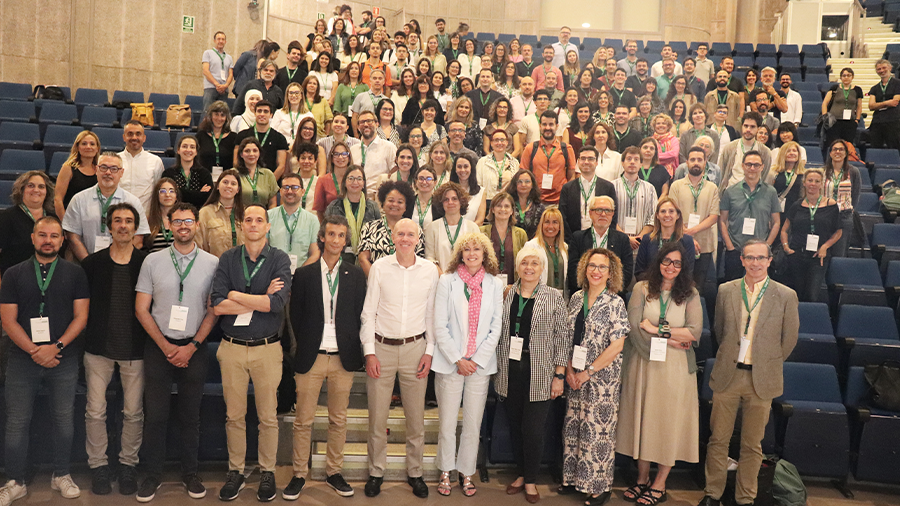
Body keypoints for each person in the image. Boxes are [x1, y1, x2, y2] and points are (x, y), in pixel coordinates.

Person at [700, 239, 799, 506]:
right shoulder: (725, 290)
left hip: (762, 379)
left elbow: (788, 340)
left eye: (760, 258)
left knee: (752, 445)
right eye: (750, 258)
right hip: (728, 376)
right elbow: (720, 332)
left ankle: (746, 498)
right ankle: (713, 494)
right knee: (718, 439)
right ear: (741, 260)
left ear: (769, 261)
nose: (755, 263)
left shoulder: (786, 295)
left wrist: (767, 362)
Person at [0, 216, 89, 504]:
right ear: (33, 238)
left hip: (63, 356)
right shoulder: (13, 273)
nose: (48, 240)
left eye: (54, 235)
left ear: (62, 240)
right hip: (22, 358)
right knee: (16, 421)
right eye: (42, 235)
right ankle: (15, 481)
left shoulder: (76, 274)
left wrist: (56, 346)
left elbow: (81, 317)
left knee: (63, 419)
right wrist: (35, 351)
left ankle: (61, 474)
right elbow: (8, 320)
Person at [133, 202, 217, 502]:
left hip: (194, 347)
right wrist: (166, 346)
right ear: (168, 225)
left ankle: (190, 473)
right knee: (155, 415)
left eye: (189, 221)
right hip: (159, 346)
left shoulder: (211, 263)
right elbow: (142, 309)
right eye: (178, 221)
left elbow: (213, 311)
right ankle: (152, 475)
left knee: (190, 416)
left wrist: (192, 346)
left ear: (196, 225)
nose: (183, 226)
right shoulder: (152, 262)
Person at [210, 203, 292, 502]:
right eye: (248, 220)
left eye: (260, 220)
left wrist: (237, 295)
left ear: (268, 227)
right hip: (231, 348)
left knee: (268, 417)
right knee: (234, 416)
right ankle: (236, 471)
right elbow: (218, 305)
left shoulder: (279, 258)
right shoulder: (228, 258)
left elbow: (277, 303)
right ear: (241, 225)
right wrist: (259, 297)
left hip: (267, 349)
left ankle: (267, 473)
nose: (254, 224)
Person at [286, 215, 366, 500]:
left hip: (342, 357)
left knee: (338, 419)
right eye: (331, 234)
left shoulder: (355, 274)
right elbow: (295, 315)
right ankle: (298, 474)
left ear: (346, 241)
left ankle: (334, 471)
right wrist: (301, 346)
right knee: (303, 420)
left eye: (341, 235)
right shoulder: (305, 274)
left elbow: (359, 314)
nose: (335, 240)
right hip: (312, 355)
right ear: (322, 237)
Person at [360, 218, 439, 499]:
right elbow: (369, 312)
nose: (405, 238)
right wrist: (369, 351)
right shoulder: (380, 268)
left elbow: (432, 315)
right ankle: (376, 471)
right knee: (377, 418)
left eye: (411, 234)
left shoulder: (430, 271)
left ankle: (415, 472)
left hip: (415, 349)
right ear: (393, 236)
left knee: (415, 419)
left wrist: (429, 352)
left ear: (418, 239)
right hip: (381, 348)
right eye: (401, 234)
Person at [619, 242, 701, 506]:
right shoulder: (642, 289)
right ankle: (642, 479)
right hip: (643, 363)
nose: (671, 267)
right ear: (658, 262)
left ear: (683, 267)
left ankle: (660, 482)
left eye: (677, 263)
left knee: (668, 423)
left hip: (675, 370)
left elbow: (693, 332)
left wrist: (658, 331)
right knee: (644, 421)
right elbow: (633, 326)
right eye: (667, 261)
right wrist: (671, 339)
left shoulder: (690, 293)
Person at [80, 202, 148, 497]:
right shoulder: (92, 264)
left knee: (133, 412)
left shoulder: (146, 263)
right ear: (109, 227)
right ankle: (98, 467)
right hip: (98, 349)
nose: (123, 225)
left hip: (135, 349)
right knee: (95, 411)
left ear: (136, 228)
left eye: (128, 221)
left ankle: (128, 466)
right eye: (117, 220)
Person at [494, 246, 568, 503]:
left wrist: (559, 375)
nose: (529, 268)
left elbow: (562, 337)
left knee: (533, 430)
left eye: (535, 263)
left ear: (542, 268)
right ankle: (521, 474)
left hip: (540, 372)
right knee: (515, 427)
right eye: (525, 263)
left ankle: (532, 480)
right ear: (518, 267)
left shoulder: (554, 296)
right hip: (509, 371)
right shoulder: (506, 293)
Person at [432, 231, 503, 497]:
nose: (472, 254)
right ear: (460, 254)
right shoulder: (447, 281)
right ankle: (445, 471)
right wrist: (457, 359)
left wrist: (475, 360)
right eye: (467, 250)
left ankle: (467, 472)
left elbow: (496, 327)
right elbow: (439, 325)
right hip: (451, 364)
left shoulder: (494, 284)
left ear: (485, 254)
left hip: (479, 366)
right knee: (447, 424)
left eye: (477, 250)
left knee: (473, 424)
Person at [559, 246, 629, 505]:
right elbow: (567, 336)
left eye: (602, 267)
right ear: (584, 269)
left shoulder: (615, 302)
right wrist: (568, 369)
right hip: (574, 376)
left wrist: (588, 372)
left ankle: (599, 487)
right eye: (592, 265)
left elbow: (617, 345)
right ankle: (575, 479)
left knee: (597, 432)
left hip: (601, 381)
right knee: (575, 428)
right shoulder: (577, 298)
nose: (596, 271)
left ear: (611, 273)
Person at [63, 152, 150, 260]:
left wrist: (118, 261)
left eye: (114, 169)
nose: (108, 172)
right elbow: (73, 237)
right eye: (103, 167)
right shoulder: (79, 199)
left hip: (121, 264)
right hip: (85, 265)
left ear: (121, 173)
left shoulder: (133, 202)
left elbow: (138, 238)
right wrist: (89, 263)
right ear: (96, 170)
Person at [780, 168, 841, 302]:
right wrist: (786, 248)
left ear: (821, 184)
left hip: (818, 256)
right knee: (796, 296)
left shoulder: (831, 205)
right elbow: (784, 230)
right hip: (796, 255)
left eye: (817, 181)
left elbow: (838, 231)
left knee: (812, 296)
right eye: (810, 180)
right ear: (804, 183)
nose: (813, 184)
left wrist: (825, 247)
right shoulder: (797, 205)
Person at [719, 150, 781, 281]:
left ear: (762, 167)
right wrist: (730, 247)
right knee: (732, 290)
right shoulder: (730, 191)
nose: (752, 168)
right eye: (748, 164)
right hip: (735, 250)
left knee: (758, 289)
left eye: (756, 165)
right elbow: (722, 220)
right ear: (742, 166)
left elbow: (776, 222)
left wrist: (767, 246)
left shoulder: (770, 192)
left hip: (760, 254)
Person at [668, 147, 720, 290]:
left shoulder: (712, 188)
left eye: (699, 160)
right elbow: (671, 215)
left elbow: (714, 216)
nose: (696, 163)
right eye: (692, 160)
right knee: (678, 285)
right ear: (686, 162)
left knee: (698, 288)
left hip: (704, 245)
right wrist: (687, 236)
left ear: (705, 162)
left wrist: (691, 232)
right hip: (680, 243)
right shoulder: (676, 186)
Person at [567, 195, 633, 294]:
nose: (603, 214)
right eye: (598, 210)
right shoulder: (578, 238)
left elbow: (626, 273)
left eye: (607, 211)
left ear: (612, 214)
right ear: (590, 213)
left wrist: (606, 292)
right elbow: (573, 271)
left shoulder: (622, 239)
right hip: (583, 294)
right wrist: (591, 290)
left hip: (613, 296)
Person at [360, 180, 423, 275]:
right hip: (377, 281)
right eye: (391, 200)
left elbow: (420, 260)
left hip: (408, 281)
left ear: (406, 206)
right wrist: (377, 280)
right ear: (383, 203)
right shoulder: (369, 227)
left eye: (400, 202)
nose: (395, 204)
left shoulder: (415, 229)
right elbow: (363, 258)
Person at [0, 172, 56, 277]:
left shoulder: (54, 218)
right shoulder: (6, 217)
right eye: (30, 186)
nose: (36, 190)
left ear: (46, 192)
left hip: (50, 280)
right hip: (14, 281)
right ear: (21, 190)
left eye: (41, 187)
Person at [558, 145, 618, 238]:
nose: (586, 162)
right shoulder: (567, 188)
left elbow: (613, 215)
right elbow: (562, 217)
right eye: (583, 158)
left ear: (596, 162)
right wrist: (570, 240)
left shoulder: (608, 187)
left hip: (601, 238)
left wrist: (606, 238)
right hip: (573, 240)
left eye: (590, 159)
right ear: (578, 162)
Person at [324, 166, 381, 262]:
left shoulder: (372, 207)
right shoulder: (334, 206)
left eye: (359, 179)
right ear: (345, 182)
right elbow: (326, 233)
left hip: (367, 259)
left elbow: (377, 235)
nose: (355, 182)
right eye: (351, 179)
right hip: (340, 257)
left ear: (364, 183)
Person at [267, 173, 321, 272]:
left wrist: (300, 274)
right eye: (286, 187)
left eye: (295, 187)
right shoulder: (268, 216)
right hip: (273, 275)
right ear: (280, 191)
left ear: (303, 192)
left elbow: (315, 253)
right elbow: (263, 248)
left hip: (302, 276)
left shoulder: (312, 220)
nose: (290, 191)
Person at [521, 111, 576, 205]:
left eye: (551, 124)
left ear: (557, 126)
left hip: (560, 201)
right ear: (540, 126)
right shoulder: (530, 148)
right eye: (544, 124)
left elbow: (571, 176)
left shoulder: (567, 149)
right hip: (535, 202)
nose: (547, 128)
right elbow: (523, 174)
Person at [634, 197, 697, 280]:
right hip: (650, 287)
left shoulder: (687, 241)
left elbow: (688, 272)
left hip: (677, 289)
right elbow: (639, 271)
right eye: (663, 211)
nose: (667, 215)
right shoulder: (647, 239)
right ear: (657, 216)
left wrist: (669, 285)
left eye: (671, 211)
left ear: (677, 215)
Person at [425, 182, 480, 273]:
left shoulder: (472, 227)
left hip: (467, 280)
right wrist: (443, 278)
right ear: (441, 203)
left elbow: (477, 257)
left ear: (461, 202)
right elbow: (430, 258)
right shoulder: (432, 228)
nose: (450, 202)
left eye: (454, 199)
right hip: (440, 279)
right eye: (446, 199)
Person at [614, 147, 658, 252]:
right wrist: (626, 238)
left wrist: (640, 237)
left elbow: (654, 216)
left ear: (641, 164)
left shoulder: (650, 188)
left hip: (642, 244)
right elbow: (609, 216)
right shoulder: (612, 186)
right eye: (629, 159)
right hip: (617, 242)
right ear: (622, 163)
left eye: (636, 159)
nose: (632, 162)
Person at [823, 139, 861, 258]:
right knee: (823, 250)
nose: (838, 152)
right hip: (825, 214)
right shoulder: (823, 171)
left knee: (840, 253)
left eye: (841, 149)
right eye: (835, 149)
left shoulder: (853, 172)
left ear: (846, 153)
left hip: (844, 216)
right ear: (830, 153)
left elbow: (855, 194)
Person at [234, 100, 289, 181]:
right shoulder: (242, 135)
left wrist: (268, 184)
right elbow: (236, 162)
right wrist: (247, 180)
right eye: (259, 111)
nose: (262, 114)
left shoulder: (279, 138)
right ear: (254, 113)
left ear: (271, 115)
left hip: (270, 183)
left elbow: (281, 166)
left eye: (266, 111)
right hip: (246, 181)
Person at [481, 192, 529, 285]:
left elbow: (525, 262)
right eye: (499, 206)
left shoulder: (521, 234)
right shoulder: (482, 232)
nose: (503, 209)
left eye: (506, 206)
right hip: (486, 284)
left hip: (513, 285)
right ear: (492, 209)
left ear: (512, 211)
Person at [718, 112, 772, 192]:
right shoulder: (729, 148)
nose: (748, 130)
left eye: (752, 127)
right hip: (732, 192)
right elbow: (721, 172)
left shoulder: (765, 152)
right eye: (746, 126)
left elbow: (764, 175)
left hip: (754, 194)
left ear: (758, 128)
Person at [118, 121, 165, 213]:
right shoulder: (115, 160)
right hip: (119, 215)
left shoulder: (155, 161)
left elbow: (157, 191)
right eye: (130, 134)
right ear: (124, 137)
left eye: (138, 134)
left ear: (144, 138)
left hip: (145, 217)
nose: (134, 137)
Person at [197, 169, 245, 257]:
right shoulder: (205, 213)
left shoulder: (245, 213)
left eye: (233, 184)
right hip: (213, 266)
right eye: (225, 182)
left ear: (238, 189)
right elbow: (198, 245)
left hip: (241, 267)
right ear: (218, 186)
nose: (229, 186)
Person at [351, 111, 398, 199]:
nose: (365, 124)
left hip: (378, 198)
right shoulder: (352, 149)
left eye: (369, 121)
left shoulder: (389, 147)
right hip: (356, 197)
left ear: (377, 124)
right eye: (362, 122)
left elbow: (395, 173)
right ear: (357, 127)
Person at [54, 130, 100, 220]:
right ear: (77, 147)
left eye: (92, 144)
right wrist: (66, 223)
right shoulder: (68, 168)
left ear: (97, 148)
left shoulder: (101, 169)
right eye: (84, 144)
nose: (88, 147)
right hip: (72, 218)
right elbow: (58, 199)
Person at [162, 135, 214, 210]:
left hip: (199, 214)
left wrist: (178, 191)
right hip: (174, 213)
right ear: (178, 150)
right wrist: (198, 194)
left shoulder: (204, 173)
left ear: (196, 152)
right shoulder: (168, 173)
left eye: (192, 147)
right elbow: (167, 196)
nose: (188, 150)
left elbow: (207, 198)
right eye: (185, 146)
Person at [524, 207, 568, 292]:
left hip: (560, 298)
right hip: (539, 297)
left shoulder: (564, 247)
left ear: (560, 226)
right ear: (541, 225)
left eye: (555, 222)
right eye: (547, 222)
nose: (550, 226)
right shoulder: (531, 246)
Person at [766, 141, 806, 223]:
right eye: (788, 151)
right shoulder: (773, 172)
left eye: (794, 151)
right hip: (776, 211)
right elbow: (766, 193)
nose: (792, 153)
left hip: (795, 212)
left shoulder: (804, 174)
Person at [822, 68, 864, 146]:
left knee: (848, 145)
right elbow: (825, 103)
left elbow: (859, 106)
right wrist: (825, 117)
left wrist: (857, 119)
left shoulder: (857, 89)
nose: (846, 77)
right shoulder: (834, 88)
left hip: (850, 122)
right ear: (841, 77)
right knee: (833, 144)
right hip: (834, 121)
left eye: (848, 75)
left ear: (852, 77)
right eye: (844, 75)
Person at [477, 130, 520, 204]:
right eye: (496, 140)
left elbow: (516, 185)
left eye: (502, 140)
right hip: (487, 202)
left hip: (508, 202)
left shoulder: (514, 162)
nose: (499, 143)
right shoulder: (482, 162)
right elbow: (478, 184)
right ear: (491, 143)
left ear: (507, 143)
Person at [233, 137, 279, 208]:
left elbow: (272, 203)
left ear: (259, 153)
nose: (251, 154)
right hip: (239, 216)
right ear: (241, 154)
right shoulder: (233, 173)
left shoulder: (268, 174)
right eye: (247, 151)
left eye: (255, 151)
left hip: (262, 216)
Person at [196, 101, 237, 176]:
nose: (219, 118)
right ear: (210, 116)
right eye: (216, 114)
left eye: (222, 115)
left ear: (226, 118)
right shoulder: (201, 135)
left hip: (227, 179)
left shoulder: (233, 137)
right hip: (204, 177)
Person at [505, 169, 547, 240]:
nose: (523, 185)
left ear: (532, 185)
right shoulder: (507, 204)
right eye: (520, 182)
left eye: (527, 182)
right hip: (510, 244)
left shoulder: (539, 207)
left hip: (533, 245)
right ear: (515, 184)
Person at [145, 178, 180, 253]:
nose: (167, 195)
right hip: (154, 263)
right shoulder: (148, 221)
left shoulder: (183, 221)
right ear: (157, 195)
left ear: (176, 196)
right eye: (163, 191)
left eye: (171, 191)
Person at [450, 152, 487, 224]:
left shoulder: (481, 192)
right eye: (459, 166)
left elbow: (480, 219)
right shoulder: (447, 190)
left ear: (471, 168)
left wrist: (467, 232)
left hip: (471, 233)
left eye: (466, 166)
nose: (463, 170)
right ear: (455, 169)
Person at [202, 32, 234, 112]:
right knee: (208, 112)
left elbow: (230, 74)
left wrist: (225, 85)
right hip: (211, 87)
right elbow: (206, 71)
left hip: (224, 90)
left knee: (222, 112)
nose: (221, 41)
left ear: (225, 42)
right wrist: (217, 84)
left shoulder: (229, 57)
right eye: (218, 39)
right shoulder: (208, 53)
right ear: (214, 41)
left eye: (223, 39)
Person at [351, 69, 389, 133]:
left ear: (383, 81)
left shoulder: (387, 100)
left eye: (380, 78)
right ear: (370, 81)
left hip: (381, 132)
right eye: (374, 78)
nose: (377, 81)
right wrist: (356, 134)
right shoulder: (361, 97)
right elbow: (354, 117)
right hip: (363, 131)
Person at [412, 166, 439, 231]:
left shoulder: (439, 204)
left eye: (428, 179)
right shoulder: (409, 202)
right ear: (416, 181)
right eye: (421, 178)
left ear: (435, 182)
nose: (424, 182)